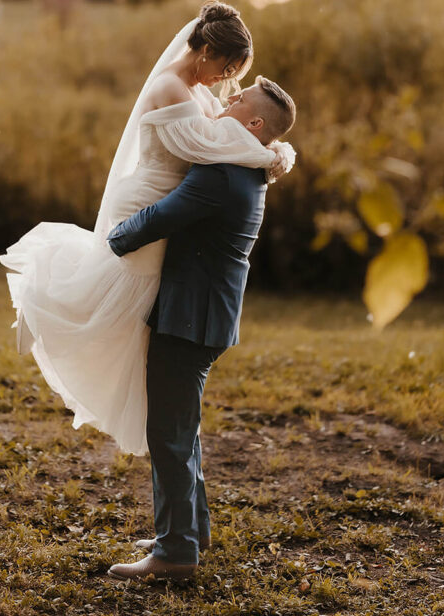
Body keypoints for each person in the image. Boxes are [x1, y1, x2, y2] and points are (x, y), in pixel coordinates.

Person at [0, 1, 295, 455]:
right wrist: (271, 154)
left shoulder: (198, 92)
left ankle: (168, 421)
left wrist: (269, 147)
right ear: (207, 52)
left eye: (235, 73)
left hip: (164, 211)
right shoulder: (170, 88)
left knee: (134, 316)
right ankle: (45, 310)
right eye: (227, 67)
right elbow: (210, 145)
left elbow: (231, 130)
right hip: (143, 205)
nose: (227, 80)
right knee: (113, 298)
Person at [106, 75, 296, 582]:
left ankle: (175, 555)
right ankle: (190, 532)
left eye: (239, 101)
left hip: (190, 318)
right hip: (207, 315)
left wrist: (109, 240)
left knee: (168, 432)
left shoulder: (223, 173)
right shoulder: (247, 167)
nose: (228, 98)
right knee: (180, 430)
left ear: (254, 124)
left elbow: (161, 217)